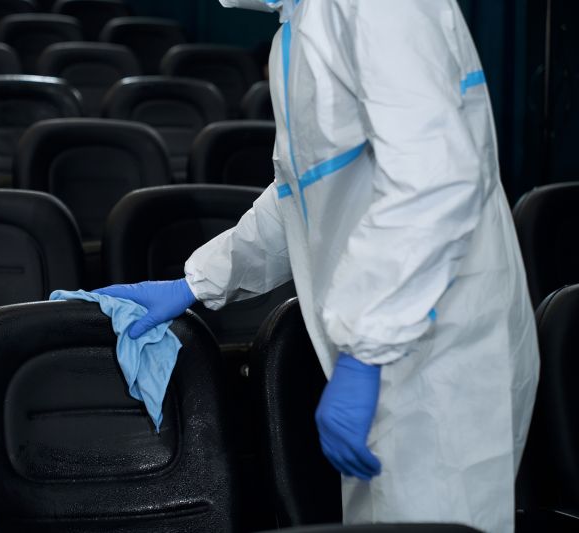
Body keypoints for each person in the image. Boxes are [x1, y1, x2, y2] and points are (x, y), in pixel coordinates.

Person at [94, 1, 540, 531]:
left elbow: (435, 183)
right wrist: (197, 282)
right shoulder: (302, 28)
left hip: (442, 358)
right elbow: (301, 199)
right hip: (383, 348)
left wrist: (365, 353)